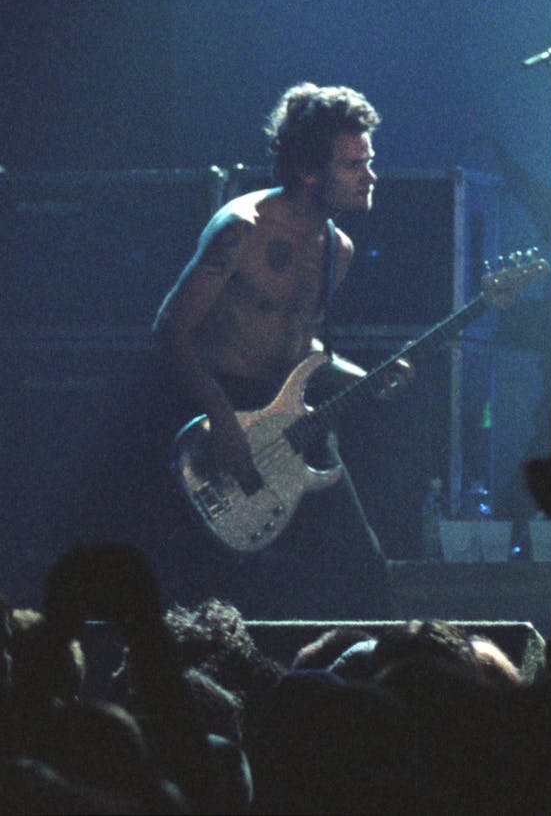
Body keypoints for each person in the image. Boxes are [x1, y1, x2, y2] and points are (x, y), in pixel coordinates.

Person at [81, 83, 400, 620]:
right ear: (308, 171)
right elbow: (170, 330)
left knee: (362, 571)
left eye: (368, 161)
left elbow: (299, 343)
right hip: (211, 409)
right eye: (353, 164)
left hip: (287, 419)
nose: (370, 176)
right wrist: (224, 421)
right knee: (200, 588)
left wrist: (362, 376)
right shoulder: (242, 228)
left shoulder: (336, 249)